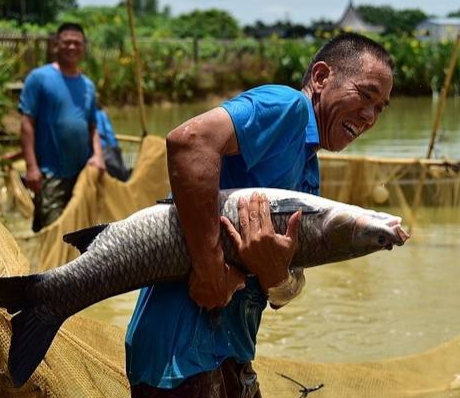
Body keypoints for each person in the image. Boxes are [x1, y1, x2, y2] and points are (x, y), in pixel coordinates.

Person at [125, 32, 395, 397]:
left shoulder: (308, 173)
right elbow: (190, 141)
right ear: (320, 77)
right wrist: (209, 268)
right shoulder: (288, 109)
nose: (369, 116)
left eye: (380, 108)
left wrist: (275, 274)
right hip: (180, 356)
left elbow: (288, 287)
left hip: (230, 356)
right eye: (365, 95)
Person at [19, 22, 105, 232]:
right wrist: (31, 167)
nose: (72, 47)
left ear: (84, 47)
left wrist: (98, 156)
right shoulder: (39, 78)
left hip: (81, 174)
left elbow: (93, 125)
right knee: (52, 232)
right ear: (56, 45)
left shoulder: (88, 85)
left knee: (81, 232)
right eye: (67, 42)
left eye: (77, 43)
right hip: (50, 174)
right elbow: (26, 124)